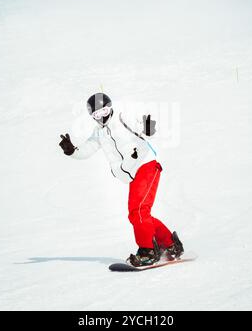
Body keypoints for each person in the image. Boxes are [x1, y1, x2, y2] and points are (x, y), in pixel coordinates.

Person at [59, 93, 183, 267]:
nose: (102, 117)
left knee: (138, 211)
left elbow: (145, 129)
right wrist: (72, 151)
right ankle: (170, 245)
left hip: (145, 165)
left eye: (104, 111)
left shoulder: (123, 118)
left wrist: (148, 129)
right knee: (138, 214)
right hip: (133, 174)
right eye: (96, 115)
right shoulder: (99, 133)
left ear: (110, 108)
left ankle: (147, 251)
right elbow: (87, 149)